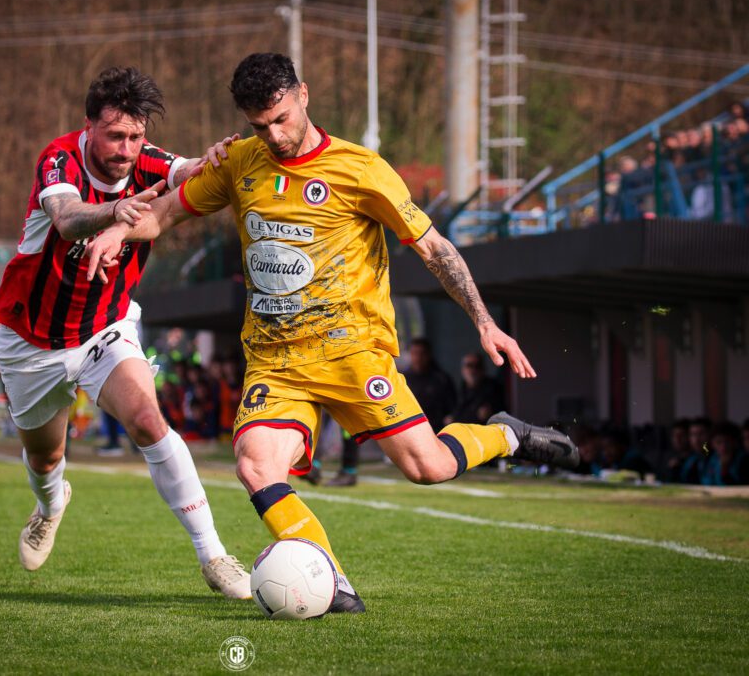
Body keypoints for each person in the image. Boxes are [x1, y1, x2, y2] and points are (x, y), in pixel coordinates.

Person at [85, 53, 578, 614]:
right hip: (275, 362)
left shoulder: (360, 169)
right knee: (255, 465)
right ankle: (333, 583)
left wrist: (485, 322)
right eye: (259, 126)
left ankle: (506, 435)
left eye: (281, 119)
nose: (274, 135)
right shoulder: (239, 162)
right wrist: (118, 230)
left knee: (428, 467)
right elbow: (166, 213)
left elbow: (435, 248)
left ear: (303, 95)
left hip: (353, 353)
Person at [0, 67, 250, 599]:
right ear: (89, 127)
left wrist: (215, 160)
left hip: (104, 328)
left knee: (149, 420)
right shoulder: (59, 159)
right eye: (114, 136)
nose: (126, 150)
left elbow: (189, 171)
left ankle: (214, 555)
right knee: (45, 458)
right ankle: (50, 505)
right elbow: (66, 218)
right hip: (31, 341)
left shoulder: (145, 158)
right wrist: (116, 210)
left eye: (135, 136)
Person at [403, 338, 457, 426]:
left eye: (422, 353)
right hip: (410, 427)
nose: (418, 358)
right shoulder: (402, 379)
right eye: (415, 353)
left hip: (436, 428)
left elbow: (452, 407)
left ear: (429, 355)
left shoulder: (441, 379)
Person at [447, 351, 505, 425]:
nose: (473, 370)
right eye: (469, 365)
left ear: (483, 369)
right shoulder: (458, 390)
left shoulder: (493, 389)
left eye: (477, 366)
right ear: (463, 369)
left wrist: (491, 413)